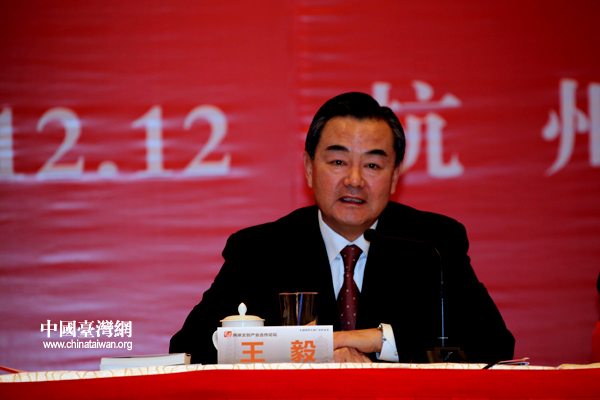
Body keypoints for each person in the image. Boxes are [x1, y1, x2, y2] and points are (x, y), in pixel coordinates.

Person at [170, 92, 515, 364]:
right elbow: (189, 349)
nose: (354, 180)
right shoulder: (260, 250)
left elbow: (494, 345)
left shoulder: (432, 244)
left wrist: (382, 340)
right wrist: (317, 351)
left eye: (373, 165)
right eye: (338, 161)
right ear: (309, 169)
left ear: (395, 176)